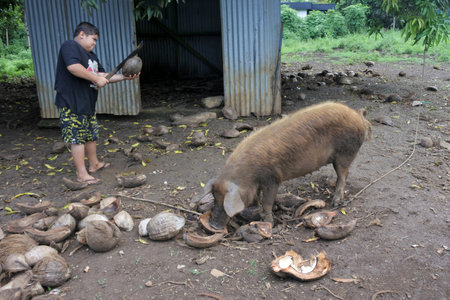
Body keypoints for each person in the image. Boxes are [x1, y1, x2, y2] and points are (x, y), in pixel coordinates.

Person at [54, 22, 139, 185]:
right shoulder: (70, 46)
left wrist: (124, 77)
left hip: (87, 103)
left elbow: (102, 75)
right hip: (71, 102)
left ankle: (94, 164)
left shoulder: (91, 56)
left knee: (90, 136)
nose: (94, 43)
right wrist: (95, 79)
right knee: (76, 138)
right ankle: (82, 174)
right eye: (93, 39)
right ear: (81, 34)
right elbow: (73, 68)